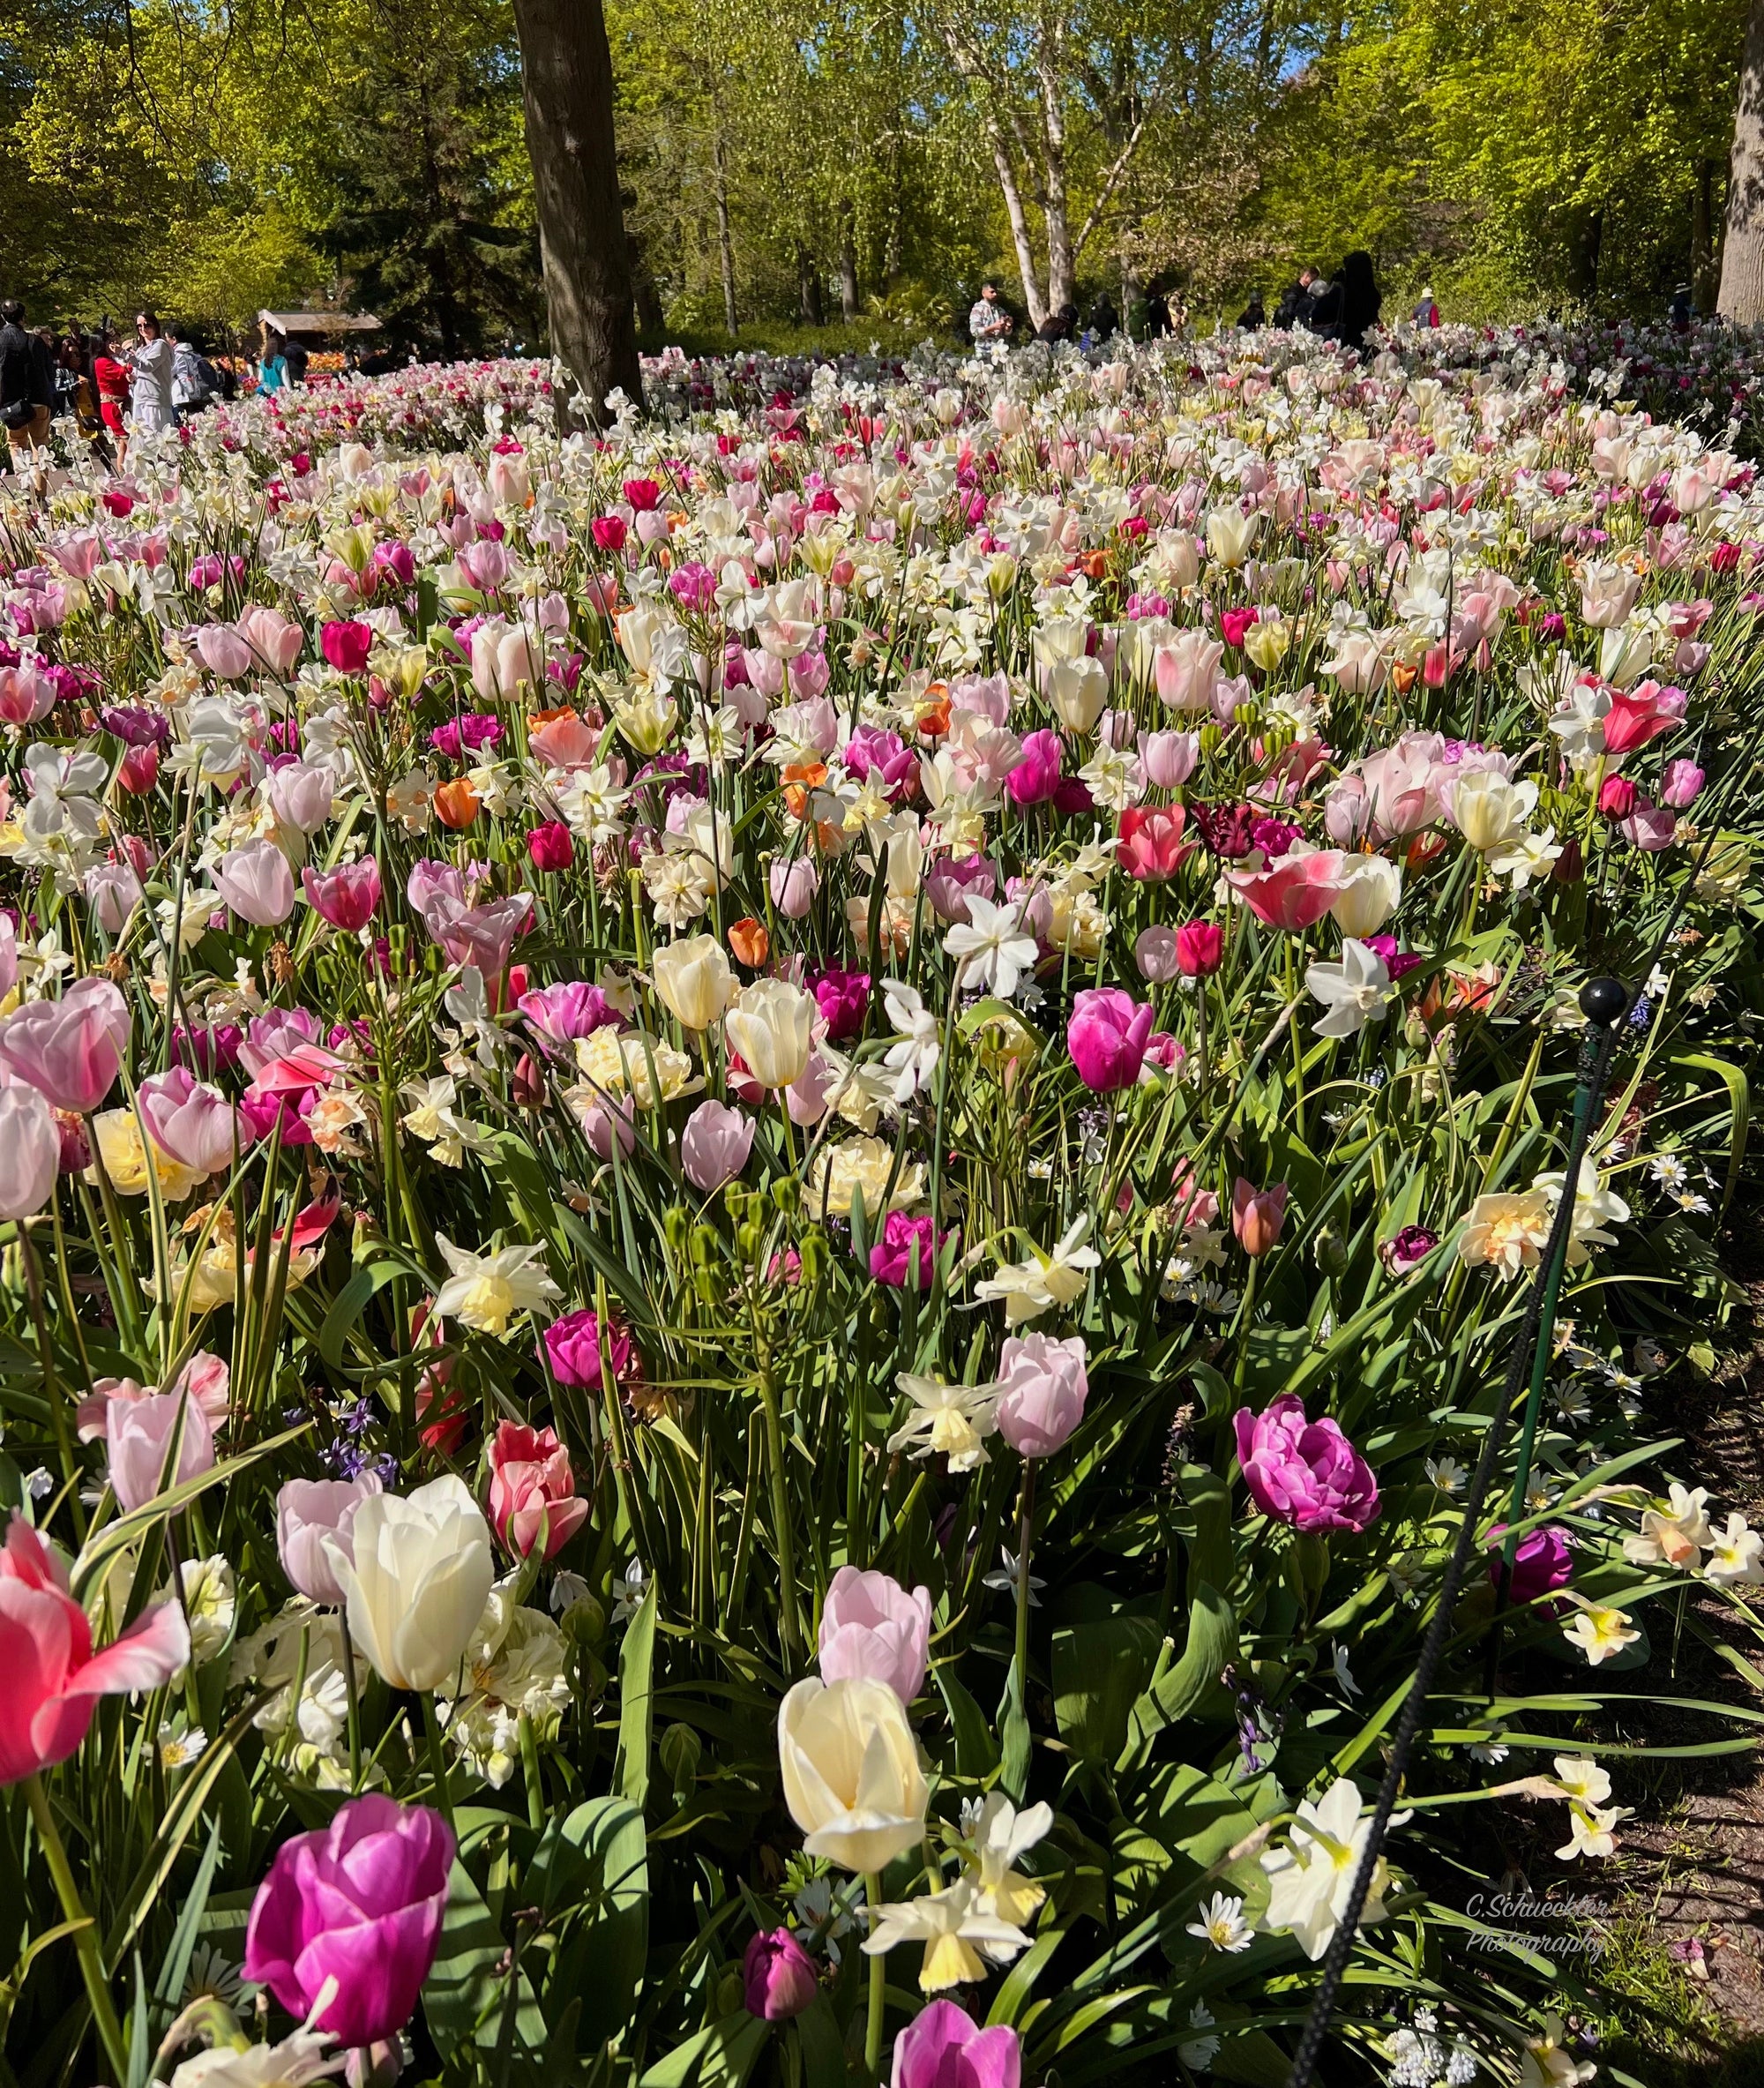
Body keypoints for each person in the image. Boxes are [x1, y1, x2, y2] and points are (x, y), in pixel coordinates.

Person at [0, 301, 53, 453]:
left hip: (12, 403)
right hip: (39, 398)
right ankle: (40, 478)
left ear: (3, 317)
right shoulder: (36, 341)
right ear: (23, 317)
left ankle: (23, 477)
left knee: (16, 443)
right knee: (41, 446)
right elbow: (50, 372)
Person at [127, 310, 176, 434]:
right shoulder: (140, 350)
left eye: (147, 325)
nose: (143, 329)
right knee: (141, 445)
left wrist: (123, 354)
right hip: (140, 400)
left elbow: (147, 366)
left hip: (154, 402)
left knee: (156, 442)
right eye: (139, 326)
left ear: (155, 326)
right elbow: (140, 372)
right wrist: (132, 377)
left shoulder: (161, 345)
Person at [92, 332, 131, 460]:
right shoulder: (102, 362)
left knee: (123, 447)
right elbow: (122, 372)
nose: (114, 345)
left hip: (117, 405)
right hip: (112, 407)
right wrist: (131, 358)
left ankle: (124, 475)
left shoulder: (110, 360)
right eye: (110, 342)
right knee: (127, 444)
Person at [168, 324, 219, 416]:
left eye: (167, 339)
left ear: (174, 340)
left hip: (181, 399)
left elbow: (166, 375)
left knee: (181, 429)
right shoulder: (193, 353)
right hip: (197, 398)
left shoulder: (176, 356)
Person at [1334, 250, 1381, 350]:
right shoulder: (1373, 295)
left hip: (1342, 344)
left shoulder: (1343, 293)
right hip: (1364, 344)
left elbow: (1318, 313)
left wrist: (1334, 285)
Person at [968, 283, 1013, 349]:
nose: (995, 294)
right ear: (983, 293)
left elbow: (1006, 333)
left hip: (999, 350)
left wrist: (1008, 326)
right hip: (983, 350)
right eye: (992, 292)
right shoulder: (978, 309)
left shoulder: (1000, 310)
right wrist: (993, 327)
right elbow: (974, 331)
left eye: (996, 292)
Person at [257, 321, 289, 394]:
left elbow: (260, 379)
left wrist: (267, 388)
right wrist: (290, 392)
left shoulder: (263, 361)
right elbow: (285, 378)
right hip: (280, 393)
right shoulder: (281, 360)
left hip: (267, 393)